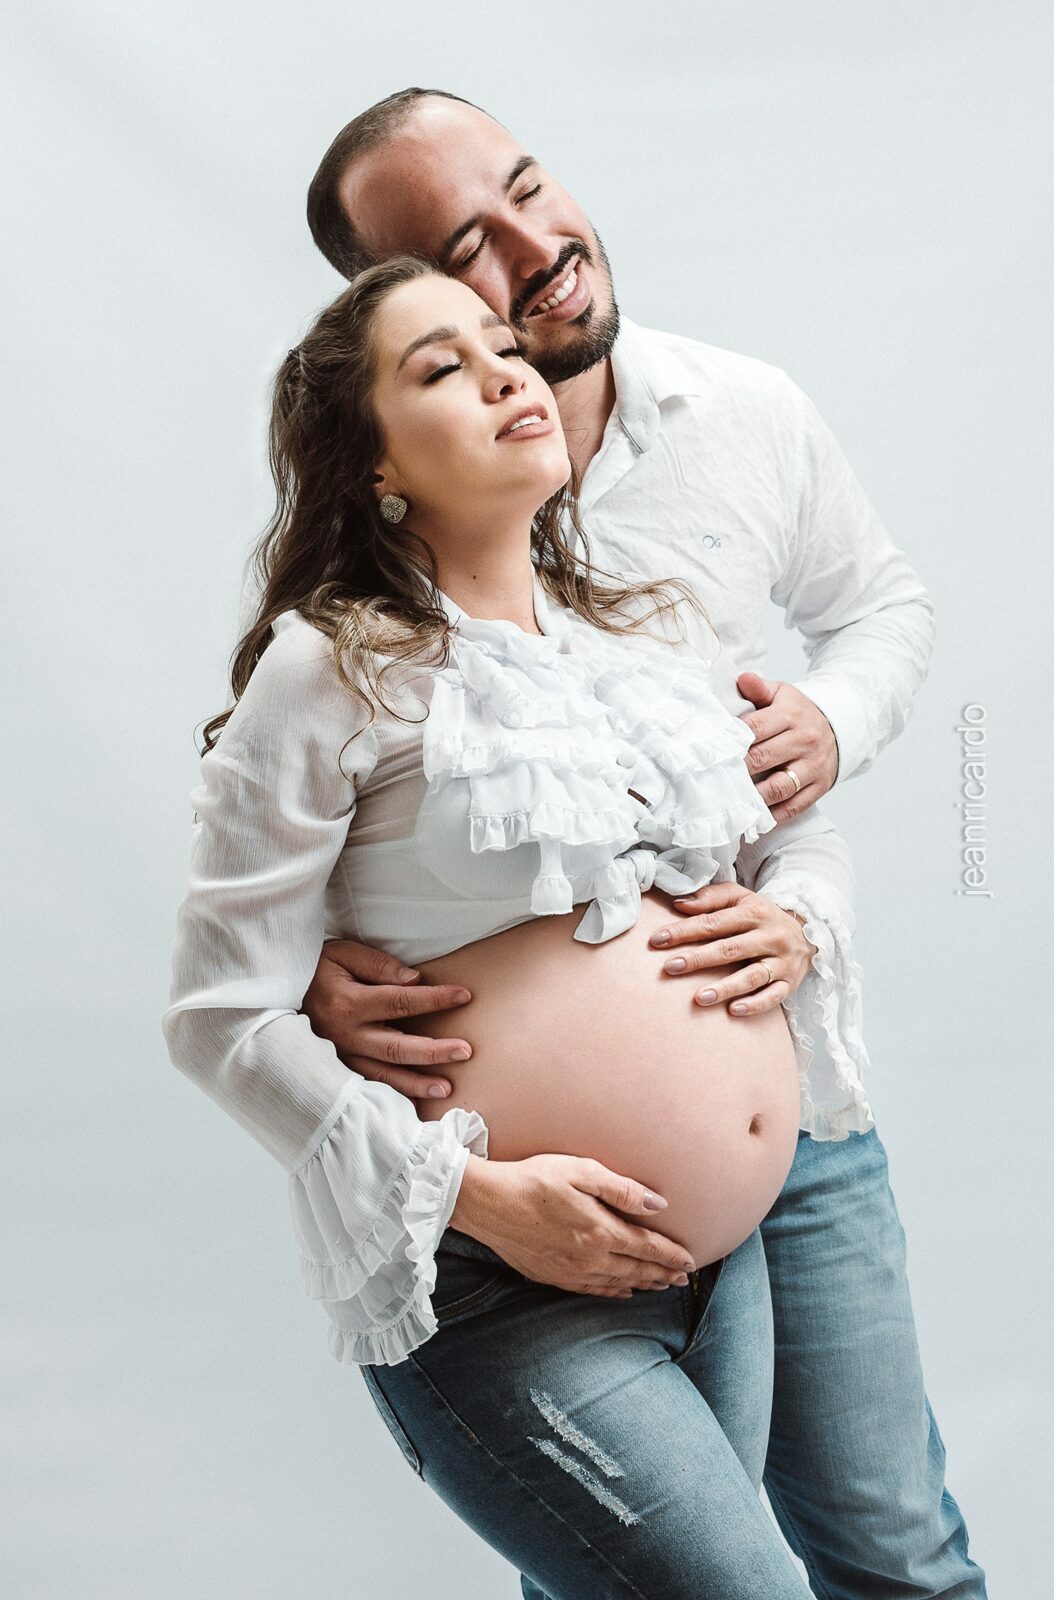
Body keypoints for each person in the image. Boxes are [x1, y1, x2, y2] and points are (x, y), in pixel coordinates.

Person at [293, 89, 988, 1596]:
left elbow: (882, 610)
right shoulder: (402, 534)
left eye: (531, 186)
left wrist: (830, 726)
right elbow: (292, 813)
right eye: (465, 251)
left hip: (794, 1106)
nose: (537, 245)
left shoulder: (744, 413)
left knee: (898, 1556)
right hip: (544, 1202)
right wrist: (308, 971)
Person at [165, 254, 876, 1596]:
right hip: (501, 1281)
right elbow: (218, 1020)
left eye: (502, 346)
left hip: (723, 1271)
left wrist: (797, 920)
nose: (504, 373)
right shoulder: (331, 666)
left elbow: (794, 832)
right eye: (442, 368)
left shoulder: (642, 632)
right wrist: (480, 1198)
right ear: (377, 465)